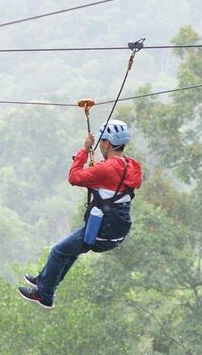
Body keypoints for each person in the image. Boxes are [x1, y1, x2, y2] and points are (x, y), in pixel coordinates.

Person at [19, 119, 143, 309]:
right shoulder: (130, 166)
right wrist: (97, 171)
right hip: (116, 231)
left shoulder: (106, 169)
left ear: (107, 143)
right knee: (70, 252)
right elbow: (110, 182)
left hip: (101, 232)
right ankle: (45, 282)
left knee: (58, 251)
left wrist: (84, 150)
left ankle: (45, 295)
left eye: (102, 141)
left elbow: (74, 177)